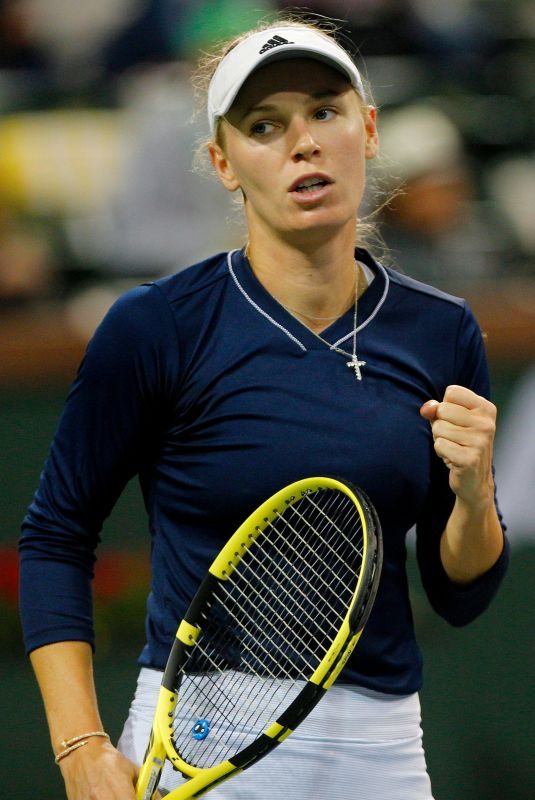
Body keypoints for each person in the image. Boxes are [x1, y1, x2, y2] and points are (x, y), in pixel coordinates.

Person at [19, 16, 509, 800]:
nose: (302, 143)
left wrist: (473, 490)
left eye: (324, 111)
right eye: (263, 126)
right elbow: (56, 535)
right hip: (197, 736)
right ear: (223, 163)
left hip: (381, 748)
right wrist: (80, 747)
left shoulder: (442, 330)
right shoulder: (157, 327)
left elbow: (460, 593)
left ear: (368, 129)